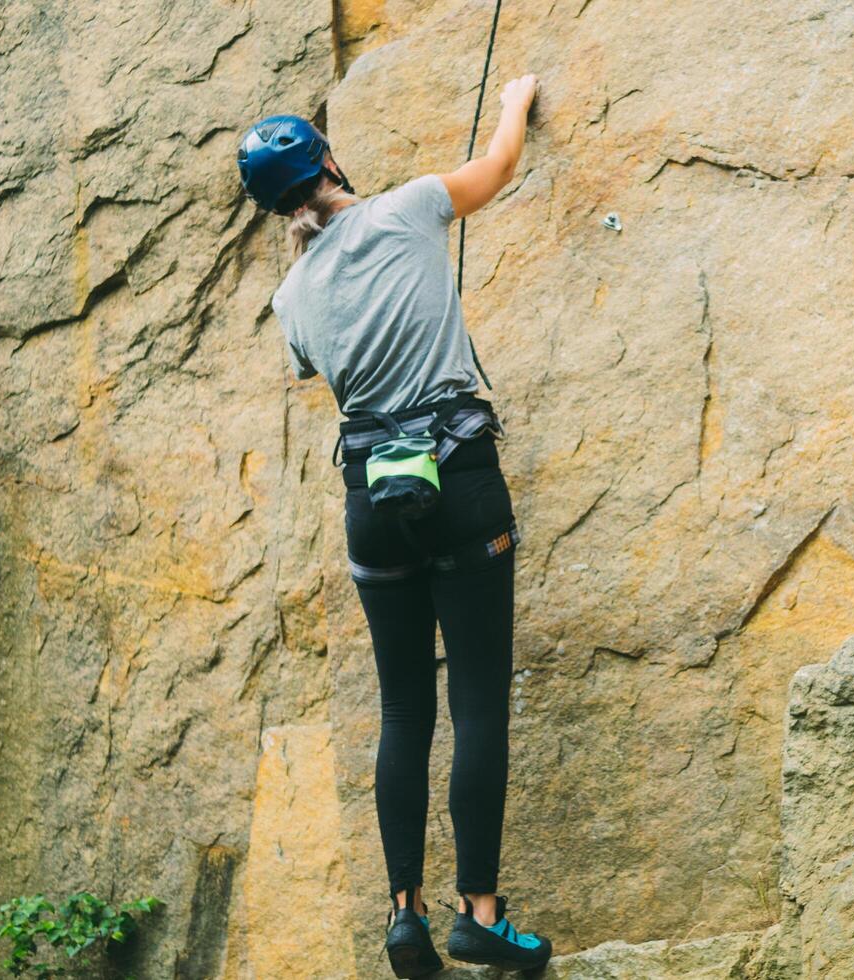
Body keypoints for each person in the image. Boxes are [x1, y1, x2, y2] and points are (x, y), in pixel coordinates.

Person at [236, 74, 551, 977]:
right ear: (329, 161)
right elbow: (493, 170)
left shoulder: (291, 299)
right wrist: (514, 102)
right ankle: (479, 916)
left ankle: (404, 914)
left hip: (373, 505)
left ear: (271, 208)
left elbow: (312, 369)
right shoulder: (409, 209)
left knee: (404, 707)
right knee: (477, 696)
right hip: (459, 483)